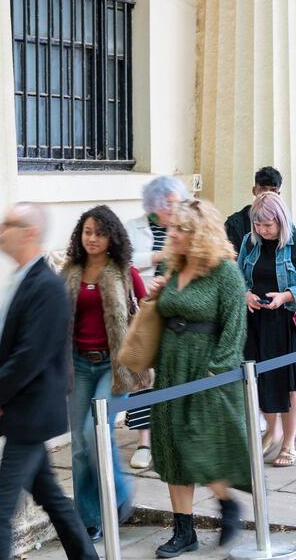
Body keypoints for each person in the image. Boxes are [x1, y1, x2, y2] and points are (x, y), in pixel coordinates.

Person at [0, 203, 96, 560]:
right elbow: (1, 342)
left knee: (1, 508)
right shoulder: (22, 278)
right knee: (52, 499)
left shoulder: (46, 287)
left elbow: (30, 355)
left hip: (31, 414)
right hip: (22, 411)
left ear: (29, 233)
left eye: (7, 224)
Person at [149, 198, 250, 557]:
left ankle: (227, 503)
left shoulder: (225, 272)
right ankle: (183, 530)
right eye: (172, 228)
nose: (171, 234)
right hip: (171, 367)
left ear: (200, 233)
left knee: (200, 444)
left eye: (180, 229)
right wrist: (157, 295)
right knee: (171, 445)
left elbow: (235, 329)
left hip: (205, 370)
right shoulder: (175, 270)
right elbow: (166, 315)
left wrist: (215, 374)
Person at [54, 206, 143, 541]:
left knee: (95, 433)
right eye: (87, 231)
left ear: (112, 238)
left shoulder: (123, 272)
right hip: (77, 364)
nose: (92, 238)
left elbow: (145, 313)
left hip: (114, 366)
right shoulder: (69, 272)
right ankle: (89, 518)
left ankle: (119, 496)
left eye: (100, 233)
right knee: (79, 445)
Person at [235, 192, 296, 468]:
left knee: (290, 385)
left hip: (288, 321)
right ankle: (271, 432)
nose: (263, 231)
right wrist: (246, 294)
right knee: (260, 378)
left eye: (268, 225)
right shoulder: (249, 243)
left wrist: (286, 296)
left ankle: (289, 442)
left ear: (281, 221)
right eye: (258, 225)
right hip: (257, 320)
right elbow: (237, 277)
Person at [124, 175, 186, 470]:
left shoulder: (186, 228)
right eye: (167, 203)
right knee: (142, 378)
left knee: (173, 374)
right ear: (154, 204)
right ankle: (144, 441)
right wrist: (158, 254)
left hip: (178, 313)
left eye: (176, 203)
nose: (173, 209)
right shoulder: (134, 228)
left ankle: (171, 437)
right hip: (145, 311)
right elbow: (124, 261)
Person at [225, 166, 282, 247]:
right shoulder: (234, 224)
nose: (267, 195)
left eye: (273, 191)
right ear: (254, 191)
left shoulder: (284, 223)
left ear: (278, 195)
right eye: (263, 189)